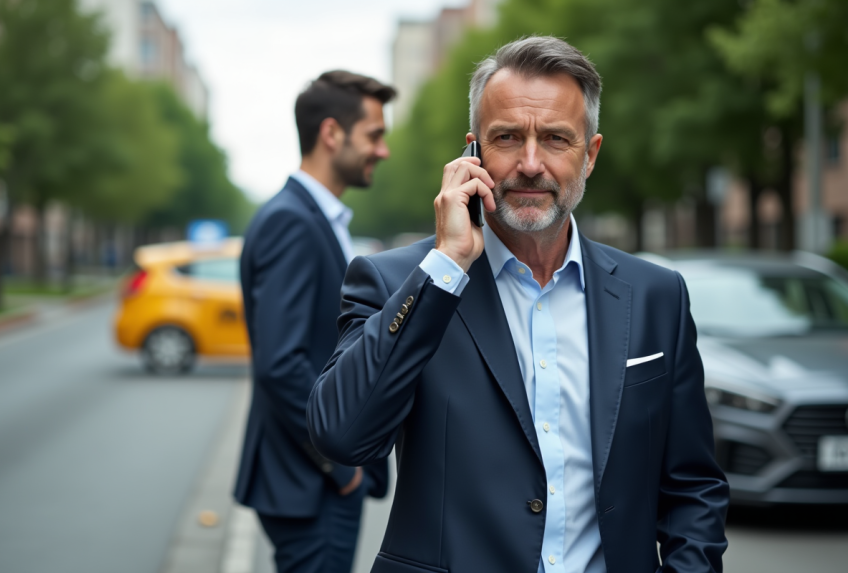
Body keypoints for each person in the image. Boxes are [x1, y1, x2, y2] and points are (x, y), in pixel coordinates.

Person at [308, 37, 729, 573]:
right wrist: (446, 267)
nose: (531, 164)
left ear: (591, 155)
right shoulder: (400, 283)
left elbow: (693, 487)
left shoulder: (656, 296)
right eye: (508, 137)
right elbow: (342, 435)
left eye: (556, 138)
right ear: (473, 152)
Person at [234, 70, 395, 573]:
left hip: (308, 481)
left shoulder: (311, 217)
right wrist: (337, 465)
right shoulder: (293, 222)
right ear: (331, 134)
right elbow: (280, 364)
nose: (383, 150)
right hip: (311, 483)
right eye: (374, 134)